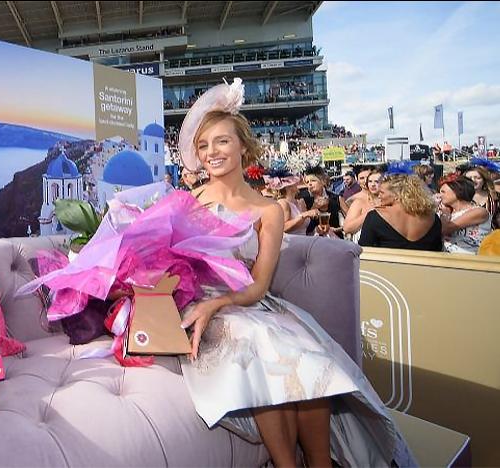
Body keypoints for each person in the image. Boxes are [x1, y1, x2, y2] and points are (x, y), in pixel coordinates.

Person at [175, 79, 414, 467]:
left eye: (221, 141)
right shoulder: (188, 202)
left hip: (246, 302)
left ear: (242, 146)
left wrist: (222, 301)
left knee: (308, 357)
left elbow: (258, 285)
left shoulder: (269, 210)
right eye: (203, 145)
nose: (211, 152)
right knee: (265, 347)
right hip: (203, 309)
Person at [358, 174, 442, 251]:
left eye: (382, 192)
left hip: (388, 266)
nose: (379, 196)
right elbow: (437, 248)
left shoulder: (375, 216)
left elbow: (363, 249)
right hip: (425, 266)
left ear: (397, 195)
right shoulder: (433, 218)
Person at [438, 176, 492, 254]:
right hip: (447, 259)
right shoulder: (448, 211)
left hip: (471, 261)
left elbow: (446, 229)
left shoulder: (479, 211)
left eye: (443, 192)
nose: (440, 195)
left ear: (457, 191)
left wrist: (445, 214)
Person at [265, 168, 317, 235]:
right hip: (291, 241)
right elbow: (284, 228)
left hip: (304, 239)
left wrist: (317, 229)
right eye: (294, 183)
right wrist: (304, 215)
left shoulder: (301, 202)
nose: (297, 184)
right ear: (288, 187)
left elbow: (305, 226)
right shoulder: (283, 203)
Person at [300, 166, 344, 237]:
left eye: (313, 180)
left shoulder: (336, 198)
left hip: (336, 240)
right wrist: (314, 207)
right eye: (307, 182)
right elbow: (303, 225)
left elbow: (350, 221)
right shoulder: (304, 200)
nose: (309, 184)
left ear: (323, 181)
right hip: (314, 241)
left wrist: (337, 229)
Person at [343, 168, 383, 242]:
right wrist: (370, 212)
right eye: (362, 178)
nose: (365, 181)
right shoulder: (354, 201)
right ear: (357, 180)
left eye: (367, 178)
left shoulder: (388, 200)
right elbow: (347, 228)